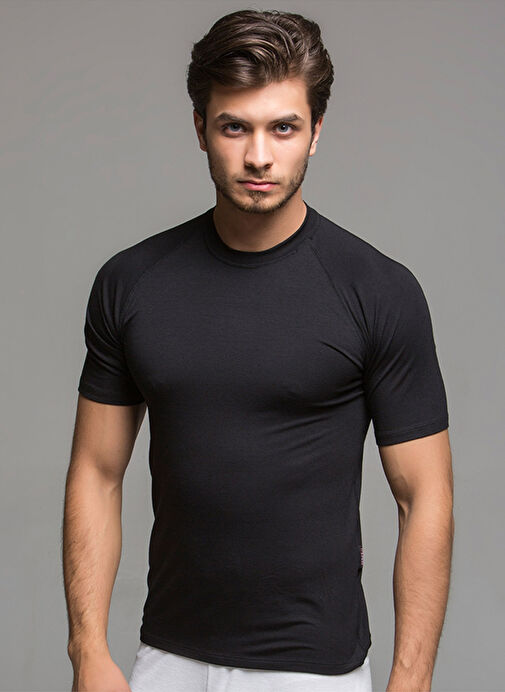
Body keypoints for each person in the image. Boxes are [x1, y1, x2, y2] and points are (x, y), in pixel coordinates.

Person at [62, 8, 454, 692]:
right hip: (167, 660)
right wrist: (87, 651)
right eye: (234, 127)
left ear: (316, 131)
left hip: (315, 671)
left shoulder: (377, 290)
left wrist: (411, 679)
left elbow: (424, 495)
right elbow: (96, 472)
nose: (259, 157)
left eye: (284, 128)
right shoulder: (132, 284)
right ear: (200, 129)